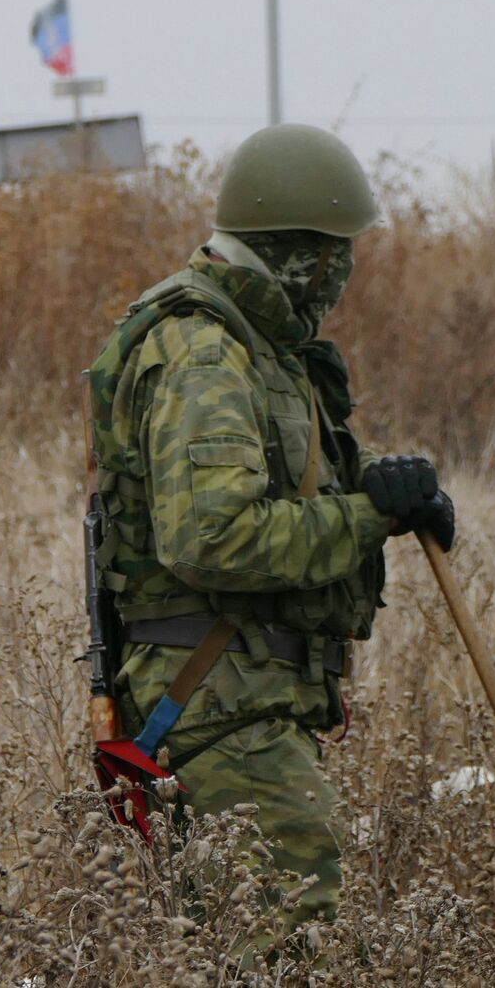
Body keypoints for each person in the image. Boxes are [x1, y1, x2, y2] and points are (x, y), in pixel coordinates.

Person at [86, 124, 453, 930]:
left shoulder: (262, 349)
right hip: (216, 705)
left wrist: (389, 490)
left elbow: (279, 480)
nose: (347, 273)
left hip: (244, 703)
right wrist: (365, 519)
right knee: (292, 943)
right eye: (340, 253)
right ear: (304, 256)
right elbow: (212, 535)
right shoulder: (205, 353)